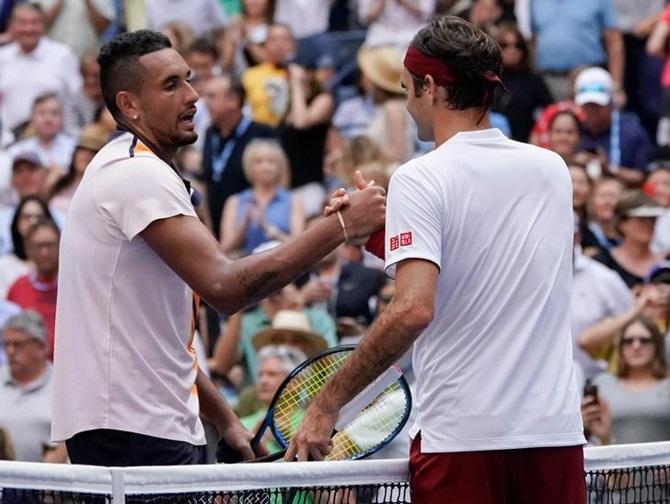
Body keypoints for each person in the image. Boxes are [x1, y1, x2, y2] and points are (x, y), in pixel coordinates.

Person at [51, 29, 385, 467]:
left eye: (188, 79)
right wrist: (341, 226)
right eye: (171, 85)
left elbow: (162, 342)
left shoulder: (127, 167)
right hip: (133, 428)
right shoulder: (136, 174)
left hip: (135, 424)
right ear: (129, 105)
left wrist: (225, 419)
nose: (193, 95)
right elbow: (225, 288)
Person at [287, 16, 585, 503]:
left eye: (406, 89)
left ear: (429, 86)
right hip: (553, 434)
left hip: (463, 440)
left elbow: (413, 309)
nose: (405, 104)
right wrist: (382, 232)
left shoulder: (420, 177)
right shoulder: (551, 168)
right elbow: (487, 258)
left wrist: (328, 403)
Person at [202, 74, 275, 236]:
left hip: (255, 229)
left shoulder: (262, 133)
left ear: (233, 100)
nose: (205, 102)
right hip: (217, 229)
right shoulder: (209, 134)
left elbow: (280, 179)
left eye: (212, 96)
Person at [0, 2, 81, 145]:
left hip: (55, 144)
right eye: (22, 22)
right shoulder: (2, 57)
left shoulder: (62, 55)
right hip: (9, 144)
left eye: (34, 22)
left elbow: (76, 100)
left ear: (43, 25)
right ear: (12, 26)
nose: (28, 28)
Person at [0, 310, 66, 462]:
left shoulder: (62, 386)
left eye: (18, 344)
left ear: (42, 346)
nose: (10, 351)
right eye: (6, 344)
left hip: (45, 481)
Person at [592, 315, 670, 444]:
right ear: (621, 347)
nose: (636, 346)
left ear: (656, 345)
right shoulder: (603, 383)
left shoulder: (668, 386)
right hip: (612, 462)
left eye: (644, 340)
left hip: (663, 463)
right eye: (628, 341)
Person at [220, 139, 304, 255]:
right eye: (259, 162)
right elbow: (224, 249)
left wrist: (269, 229)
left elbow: (300, 245)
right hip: (245, 264)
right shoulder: (235, 201)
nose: (266, 167)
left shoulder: (293, 200)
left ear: (280, 166)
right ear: (249, 166)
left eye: (272, 162)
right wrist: (244, 225)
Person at [575, 67, 652, 186]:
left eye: (597, 105)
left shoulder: (631, 132)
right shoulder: (573, 130)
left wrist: (609, 168)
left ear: (611, 102)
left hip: (622, 194)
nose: (592, 110)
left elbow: (642, 176)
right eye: (587, 105)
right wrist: (575, 162)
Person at [7, 219, 59, 360]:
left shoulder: (73, 285)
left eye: (50, 245)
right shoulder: (18, 287)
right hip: (29, 369)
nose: (45, 252)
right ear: (28, 250)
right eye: (38, 246)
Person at [492, 23, 553, 142]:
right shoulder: (486, 79)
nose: (512, 50)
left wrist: (538, 134)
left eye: (517, 45)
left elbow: (550, 112)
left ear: (524, 50)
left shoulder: (534, 81)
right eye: (505, 45)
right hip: (491, 143)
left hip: (525, 143)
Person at [593, 190, 664, 288]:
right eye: (641, 220)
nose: (649, 224)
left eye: (652, 219)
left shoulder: (665, 263)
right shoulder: (601, 263)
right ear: (622, 223)